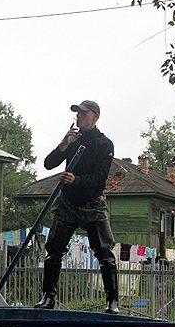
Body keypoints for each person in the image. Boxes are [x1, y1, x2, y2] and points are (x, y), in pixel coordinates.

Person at [36, 99, 119, 313]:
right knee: (53, 250)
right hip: (68, 202)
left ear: (94, 117)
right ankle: (48, 297)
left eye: (83, 114)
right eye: (77, 114)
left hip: (92, 202)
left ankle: (112, 301)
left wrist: (76, 179)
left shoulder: (104, 144)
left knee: (104, 253)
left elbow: (100, 179)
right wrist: (63, 144)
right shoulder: (73, 140)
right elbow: (48, 163)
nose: (78, 117)